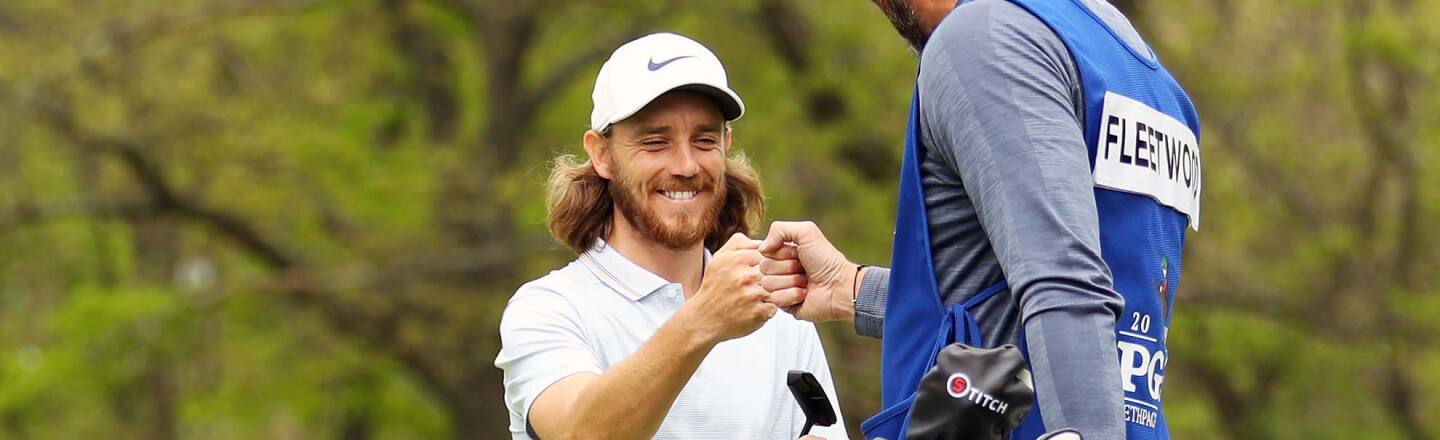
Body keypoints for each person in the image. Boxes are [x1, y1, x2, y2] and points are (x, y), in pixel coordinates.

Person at [759, 1, 1201, 439]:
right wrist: (854, 291)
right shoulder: (1138, 67)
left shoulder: (983, 37)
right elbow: (1073, 291)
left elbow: (1065, 282)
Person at [494, 33, 848, 440]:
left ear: (726, 146)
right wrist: (705, 317)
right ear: (602, 155)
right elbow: (580, 433)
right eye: (655, 142)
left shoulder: (779, 316)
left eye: (704, 140)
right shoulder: (549, 309)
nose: (685, 164)